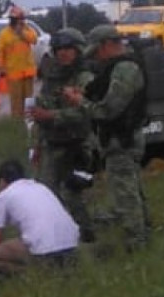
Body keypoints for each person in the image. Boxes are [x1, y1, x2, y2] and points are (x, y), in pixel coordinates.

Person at [63, 24, 151, 251]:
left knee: (126, 193)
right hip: (120, 138)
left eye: (97, 52)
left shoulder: (125, 69)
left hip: (122, 139)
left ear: (107, 45)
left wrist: (79, 103)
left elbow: (109, 110)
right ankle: (144, 230)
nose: (96, 58)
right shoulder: (117, 68)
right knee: (131, 188)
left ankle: (136, 241)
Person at [28, 28, 97, 242]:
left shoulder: (86, 78)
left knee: (71, 192)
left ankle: (86, 234)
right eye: (59, 49)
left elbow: (86, 112)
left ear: (78, 50)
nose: (63, 54)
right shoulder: (52, 78)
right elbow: (39, 112)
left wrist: (51, 115)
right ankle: (57, 235)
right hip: (52, 143)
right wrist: (37, 145)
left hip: (78, 144)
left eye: (68, 49)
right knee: (46, 193)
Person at [0, 160, 80, 274]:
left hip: (44, 252)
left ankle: (34, 273)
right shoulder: (40, 186)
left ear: (2, 181)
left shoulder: (4, 195)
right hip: (72, 246)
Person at [0, 6, 39, 119]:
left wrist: (22, 33)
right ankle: (17, 122)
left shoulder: (27, 30)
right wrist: (0, 68)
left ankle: (29, 121)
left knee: (29, 100)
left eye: (21, 19)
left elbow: (34, 39)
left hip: (28, 72)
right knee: (16, 101)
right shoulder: (4, 34)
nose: (20, 21)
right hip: (13, 73)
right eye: (17, 19)